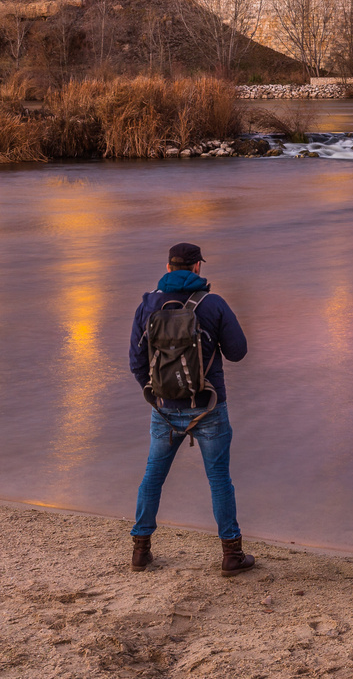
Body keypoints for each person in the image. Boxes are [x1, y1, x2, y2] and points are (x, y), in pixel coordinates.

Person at [128, 242, 254, 575]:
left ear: (168, 268)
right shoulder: (212, 304)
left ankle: (140, 549)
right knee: (219, 480)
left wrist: (158, 394)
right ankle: (231, 554)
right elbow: (238, 351)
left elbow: (136, 361)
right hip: (208, 404)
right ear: (197, 267)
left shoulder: (148, 304)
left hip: (165, 410)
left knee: (153, 477)